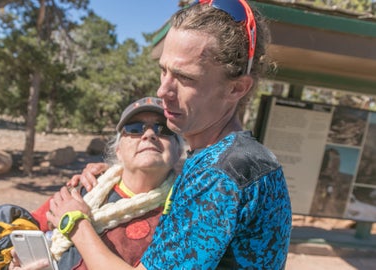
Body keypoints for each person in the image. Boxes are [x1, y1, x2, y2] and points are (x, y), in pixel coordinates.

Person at [44, 0, 293, 269]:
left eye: (185, 78)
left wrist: (76, 223)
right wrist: (117, 173)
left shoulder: (219, 175)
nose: (163, 90)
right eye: (163, 70)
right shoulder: (235, 159)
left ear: (236, 89)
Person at [9, 97, 183, 270]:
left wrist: (75, 222)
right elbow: (27, 229)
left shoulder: (185, 211)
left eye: (163, 129)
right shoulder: (84, 189)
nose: (149, 134)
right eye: (135, 129)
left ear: (178, 151)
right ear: (118, 151)